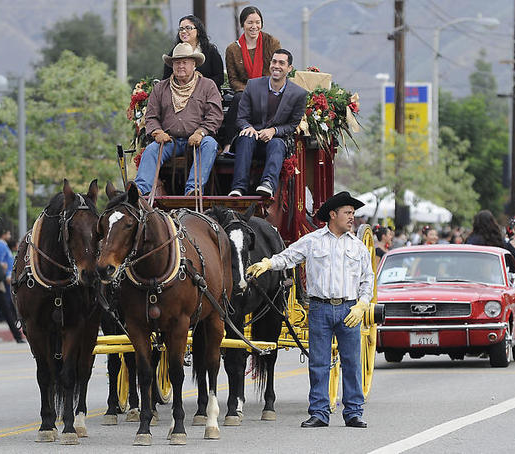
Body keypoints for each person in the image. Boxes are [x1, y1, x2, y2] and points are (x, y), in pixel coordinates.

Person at [246, 191, 374, 429]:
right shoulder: (313, 240)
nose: (352, 218)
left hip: (349, 309)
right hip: (320, 308)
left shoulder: (358, 247)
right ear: (333, 215)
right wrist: (267, 264)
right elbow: (288, 257)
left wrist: (362, 304)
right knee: (318, 363)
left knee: (352, 363)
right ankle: (319, 413)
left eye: (353, 213)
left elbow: (368, 279)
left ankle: (354, 413)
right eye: (347, 213)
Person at [135, 42, 223, 196]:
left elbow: (214, 115)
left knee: (210, 144)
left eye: (184, 62)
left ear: (194, 64)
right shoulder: (160, 88)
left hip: (198, 140)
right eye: (177, 62)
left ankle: (193, 190)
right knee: (150, 150)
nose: (180, 66)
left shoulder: (208, 86)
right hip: (169, 140)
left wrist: (201, 132)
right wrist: (157, 132)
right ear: (172, 65)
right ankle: (139, 190)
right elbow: (151, 116)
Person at [228, 49, 307, 198]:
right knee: (245, 138)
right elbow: (241, 117)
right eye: (274, 62)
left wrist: (274, 131)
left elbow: (293, 124)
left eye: (281, 63)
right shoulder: (253, 85)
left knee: (277, 144)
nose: (276, 66)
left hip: (275, 140)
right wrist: (248, 127)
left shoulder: (299, 94)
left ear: (289, 68)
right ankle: (238, 187)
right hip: (252, 137)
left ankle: (268, 184)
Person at [223, 6, 281, 154]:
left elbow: (278, 70)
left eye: (257, 22)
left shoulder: (271, 43)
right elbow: (233, 80)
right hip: (245, 92)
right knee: (238, 98)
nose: (254, 26)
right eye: (250, 22)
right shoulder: (232, 49)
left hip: (269, 90)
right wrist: (250, 91)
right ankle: (228, 144)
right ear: (242, 24)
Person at [162, 15, 224, 90]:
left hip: (206, 94)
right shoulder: (175, 52)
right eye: (181, 29)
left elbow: (219, 78)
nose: (184, 31)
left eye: (188, 28)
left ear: (198, 31)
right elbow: (166, 79)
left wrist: (200, 87)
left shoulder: (210, 51)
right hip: (180, 95)